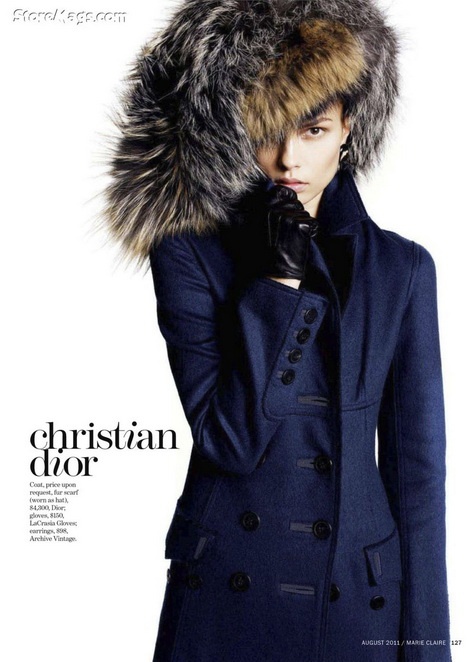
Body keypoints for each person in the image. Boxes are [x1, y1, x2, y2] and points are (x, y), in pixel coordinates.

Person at [101, 1, 452, 660]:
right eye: (270, 130)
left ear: (348, 128)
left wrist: (428, 647)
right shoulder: (188, 251)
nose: (290, 158)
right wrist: (277, 285)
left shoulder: (402, 269)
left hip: (356, 603)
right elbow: (228, 442)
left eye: (314, 130)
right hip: (230, 595)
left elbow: (419, 479)